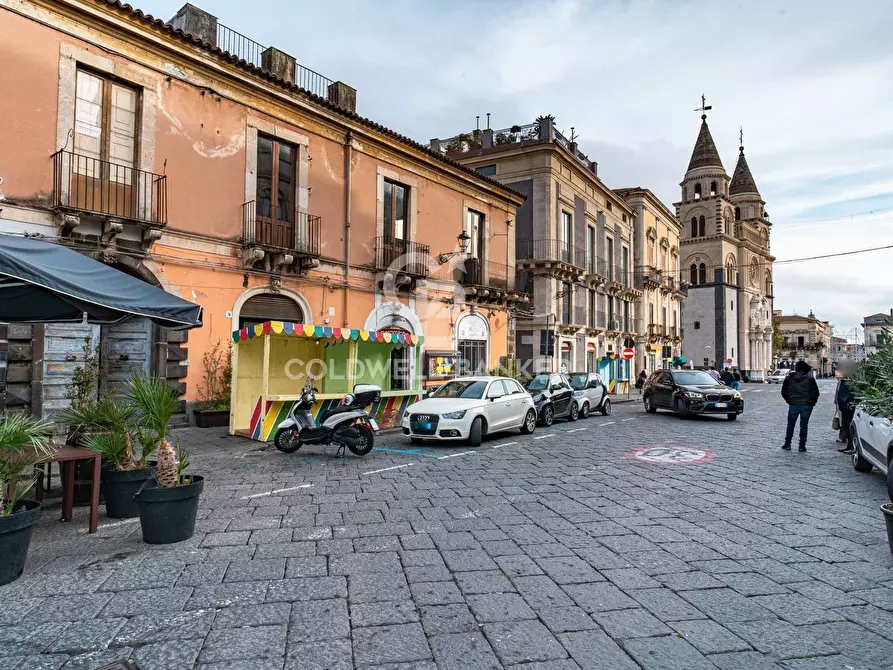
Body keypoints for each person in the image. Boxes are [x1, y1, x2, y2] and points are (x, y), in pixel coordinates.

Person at [781, 360, 820, 452]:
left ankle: (788, 443)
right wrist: (812, 403)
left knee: (790, 425)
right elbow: (816, 393)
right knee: (804, 425)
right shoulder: (810, 379)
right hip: (807, 405)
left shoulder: (788, 378)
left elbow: (784, 392)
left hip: (793, 404)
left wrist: (789, 401)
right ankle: (802, 446)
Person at [835, 364, 857, 454]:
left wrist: (846, 405)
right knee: (845, 427)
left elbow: (848, 395)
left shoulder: (849, 382)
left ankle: (851, 446)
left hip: (847, 408)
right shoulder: (844, 381)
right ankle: (849, 446)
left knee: (848, 427)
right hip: (844, 407)